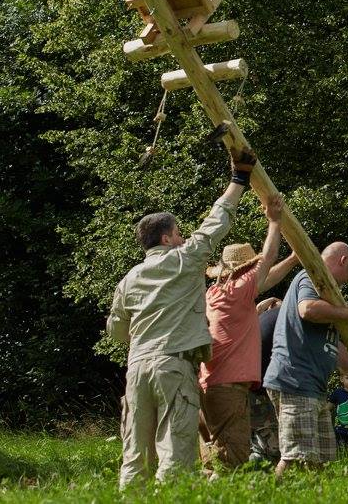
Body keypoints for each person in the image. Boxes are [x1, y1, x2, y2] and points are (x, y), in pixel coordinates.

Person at [107, 147, 256, 488]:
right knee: (176, 451)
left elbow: (116, 331)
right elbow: (215, 224)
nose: (184, 237)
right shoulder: (183, 260)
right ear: (166, 239)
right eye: (178, 233)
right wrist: (239, 178)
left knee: (135, 453)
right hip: (172, 366)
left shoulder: (128, 279)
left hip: (136, 368)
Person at [199, 195, 300, 472]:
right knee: (231, 459)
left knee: (215, 459)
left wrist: (292, 260)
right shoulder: (240, 290)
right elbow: (267, 259)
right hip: (228, 388)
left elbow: (265, 279)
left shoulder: (215, 293)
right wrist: (274, 221)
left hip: (210, 385)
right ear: (244, 270)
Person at [262, 241, 348, 478]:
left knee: (321, 460)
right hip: (295, 380)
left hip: (314, 388)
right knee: (295, 458)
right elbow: (307, 309)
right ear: (343, 261)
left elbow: (332, 344)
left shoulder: (328, 294)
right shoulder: (310, 277)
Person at [249, 297, 282, 463]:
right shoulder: (279, 319)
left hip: (246, 386)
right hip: (258, 391)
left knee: (261, 442)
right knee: (271, 447)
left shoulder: (258, 322)